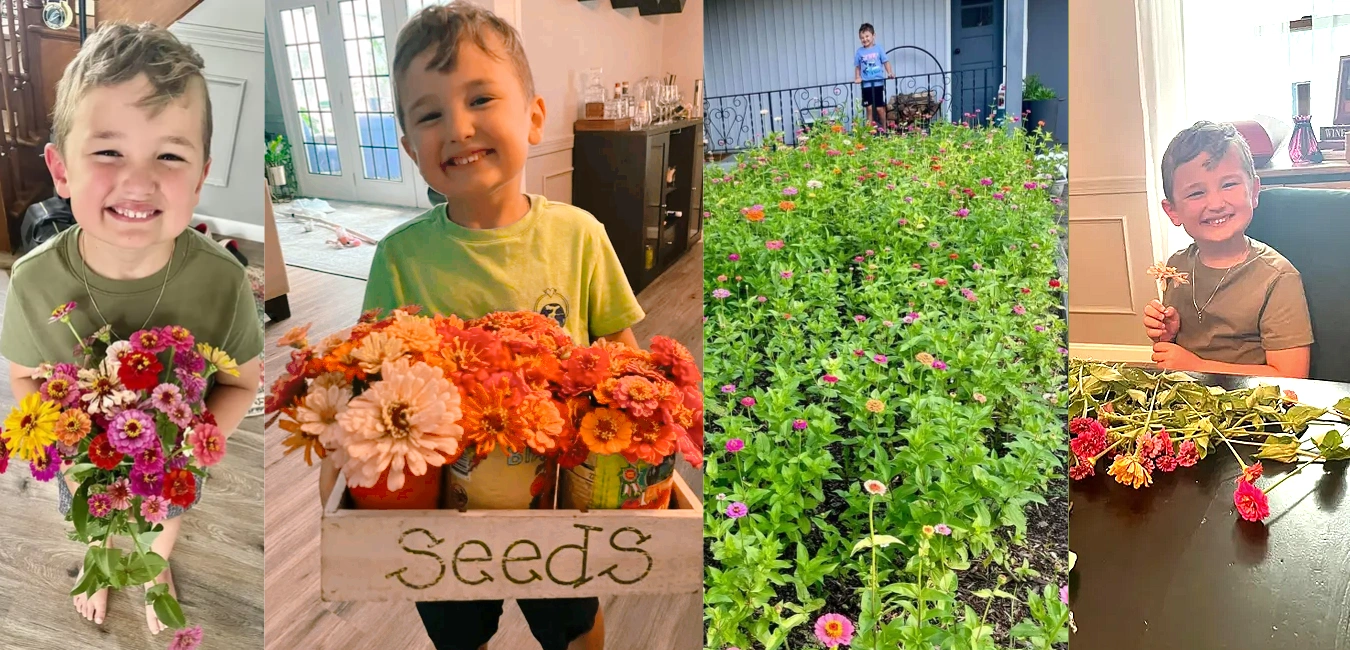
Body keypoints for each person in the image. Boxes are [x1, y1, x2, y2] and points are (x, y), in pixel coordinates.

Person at [329, 4, 646, 649]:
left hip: (557, 500)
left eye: (480, 98)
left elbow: (624, 357)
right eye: (429, 115)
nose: (459, 127)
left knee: (575, 622)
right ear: (408, 142)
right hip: (440, 506)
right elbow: (368, 379)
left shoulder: (580, 237)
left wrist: (649, 411)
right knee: (458, 632)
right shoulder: (400, 257)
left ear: (533, 116)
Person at [0, 23, 264, 632]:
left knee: (162, 521)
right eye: (108, 150)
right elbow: (21, 374)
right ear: (60, 171)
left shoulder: (224, 282)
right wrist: (65, 448)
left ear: (200, 177)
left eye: (169, 154)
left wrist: (189, 449)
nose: (139, 180)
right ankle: (97, 562)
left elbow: (242, 385)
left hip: (172, 462)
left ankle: (155, 569)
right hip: (81, 458)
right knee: (86, 517)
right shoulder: (34, 280)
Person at [1143, 121, 1312, 378]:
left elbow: (1292, 374)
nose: (1215, 203)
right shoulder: (1176, 266)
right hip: (1186, 401)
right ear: (1173, 211)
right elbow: (1174, 359)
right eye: (1196, 193)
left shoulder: (1277, 278)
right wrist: (1167, 336)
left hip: (1250, 408)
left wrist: (1196, 366)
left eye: (1229, 185)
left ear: (1254, 191)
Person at [854, 23, 894, 132]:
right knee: (869, 108)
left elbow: (885, 62)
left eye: (867, 36)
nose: (865, 39)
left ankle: (885, 130)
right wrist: (857, 77)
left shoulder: (878, 49)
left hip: (878, 83)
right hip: (866, 84)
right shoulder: (859, 52)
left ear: (873, 35)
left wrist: (890, 73)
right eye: (862, 37)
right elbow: (857, 66)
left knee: (880, 108)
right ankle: (870, 132)